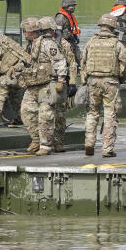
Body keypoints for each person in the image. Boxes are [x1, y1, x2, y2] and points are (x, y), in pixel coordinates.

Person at [80, 14, 126, 158]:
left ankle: (89, 143)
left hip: (93, 82)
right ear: (113, 27)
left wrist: (85, 79)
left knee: (92, 112)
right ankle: (107, 149)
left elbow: (83, 62)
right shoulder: (117, 44)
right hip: (110, 82)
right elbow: (125, 66)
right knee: (110, 114)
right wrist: (121, 78)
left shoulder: (90, 42)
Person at [17, 16, 68, 156]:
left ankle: (46, 145)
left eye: (25, 31)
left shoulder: (47, 44)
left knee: (45, 115)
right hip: (33, 84)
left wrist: (61, 80)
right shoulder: (30, 45)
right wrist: (16, 68)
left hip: (47, 84)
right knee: (26, 112)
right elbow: (27, 61)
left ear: (33, 31)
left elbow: (60, 61)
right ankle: (36, 139)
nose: (24, 33)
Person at [40, 16, 78, 153]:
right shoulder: (40, 43)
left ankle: (59, 142)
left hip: (61, 82)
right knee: (44, 114)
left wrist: (72, 83)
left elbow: (72, 63)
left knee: (60, 115)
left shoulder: (63, 44)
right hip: (45, 82)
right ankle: (44, 142)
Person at [55, 0, 82, 65]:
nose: (73, 8)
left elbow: (72, 29)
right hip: (64, 42)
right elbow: (58, 32)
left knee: (81, 59)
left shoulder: (70, 16)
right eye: (71, 6)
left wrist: (76, 37)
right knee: (70, 62)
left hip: (71, 41)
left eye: (74, 6)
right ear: (65, 6)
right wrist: (58, 45)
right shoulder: (60, 17)